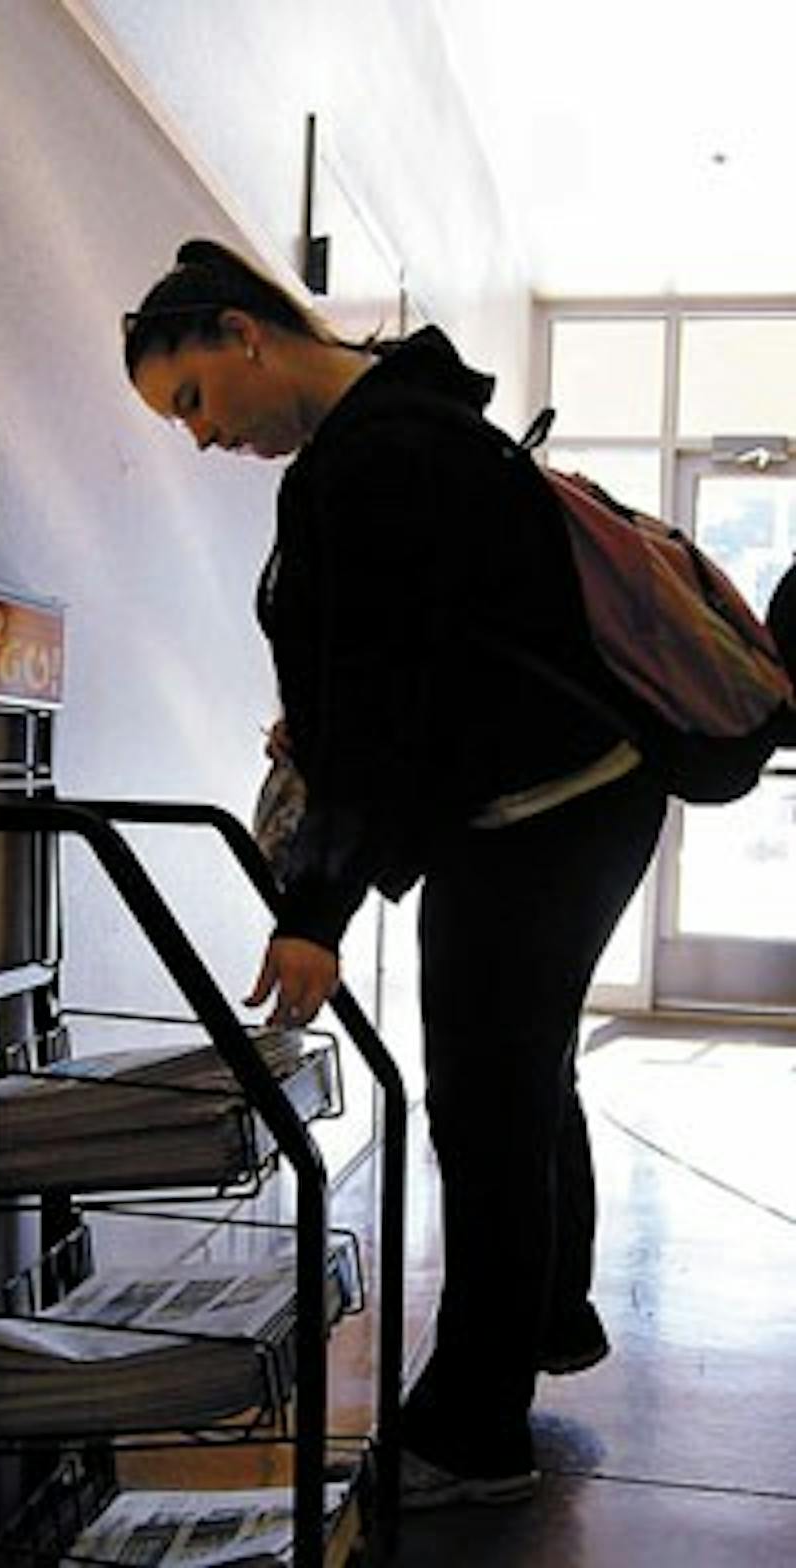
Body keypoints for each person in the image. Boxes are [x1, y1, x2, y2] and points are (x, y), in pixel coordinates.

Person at [123, 239, 668, 1508]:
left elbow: (379, 711)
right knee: (518, 1070)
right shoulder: (408, 419)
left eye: (192, 397)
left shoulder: (373, 460)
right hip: (581, 794)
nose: (200, 438)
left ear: (241, 333)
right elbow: (415, 668)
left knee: (483, 1097)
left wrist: (315, 912)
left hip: (542, 809)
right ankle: (543, 1319)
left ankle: (473, 1432)